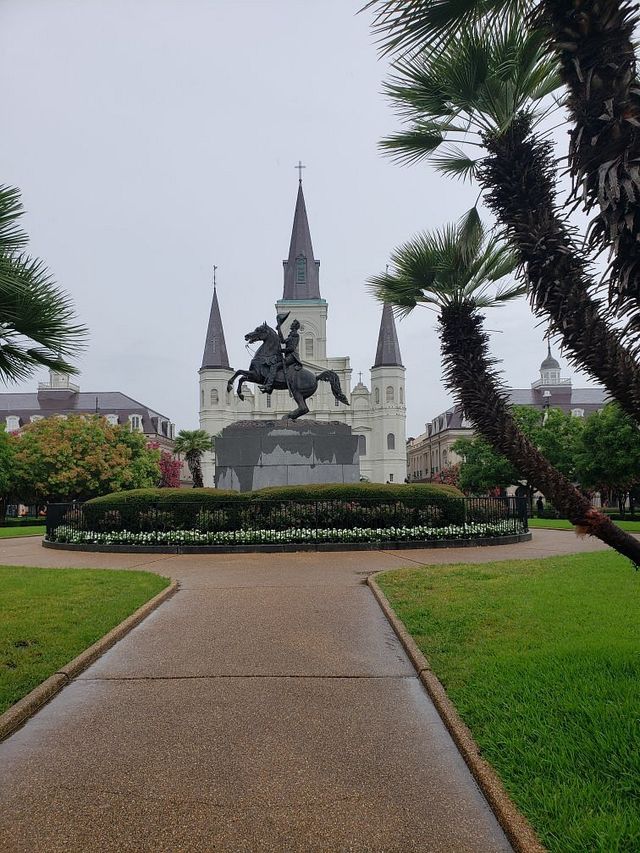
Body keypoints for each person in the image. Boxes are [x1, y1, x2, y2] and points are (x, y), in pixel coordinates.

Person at [261, 314, 302, 393]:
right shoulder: (291, 335)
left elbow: (292, 348)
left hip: (292, 356)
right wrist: (279, 329)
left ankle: (269, 385)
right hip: (288, 356)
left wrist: (281, 350)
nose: (291, 324)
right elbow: (282, 341)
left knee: (274, 366)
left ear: (295, 326)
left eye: (293, 323)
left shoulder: (295, 335)